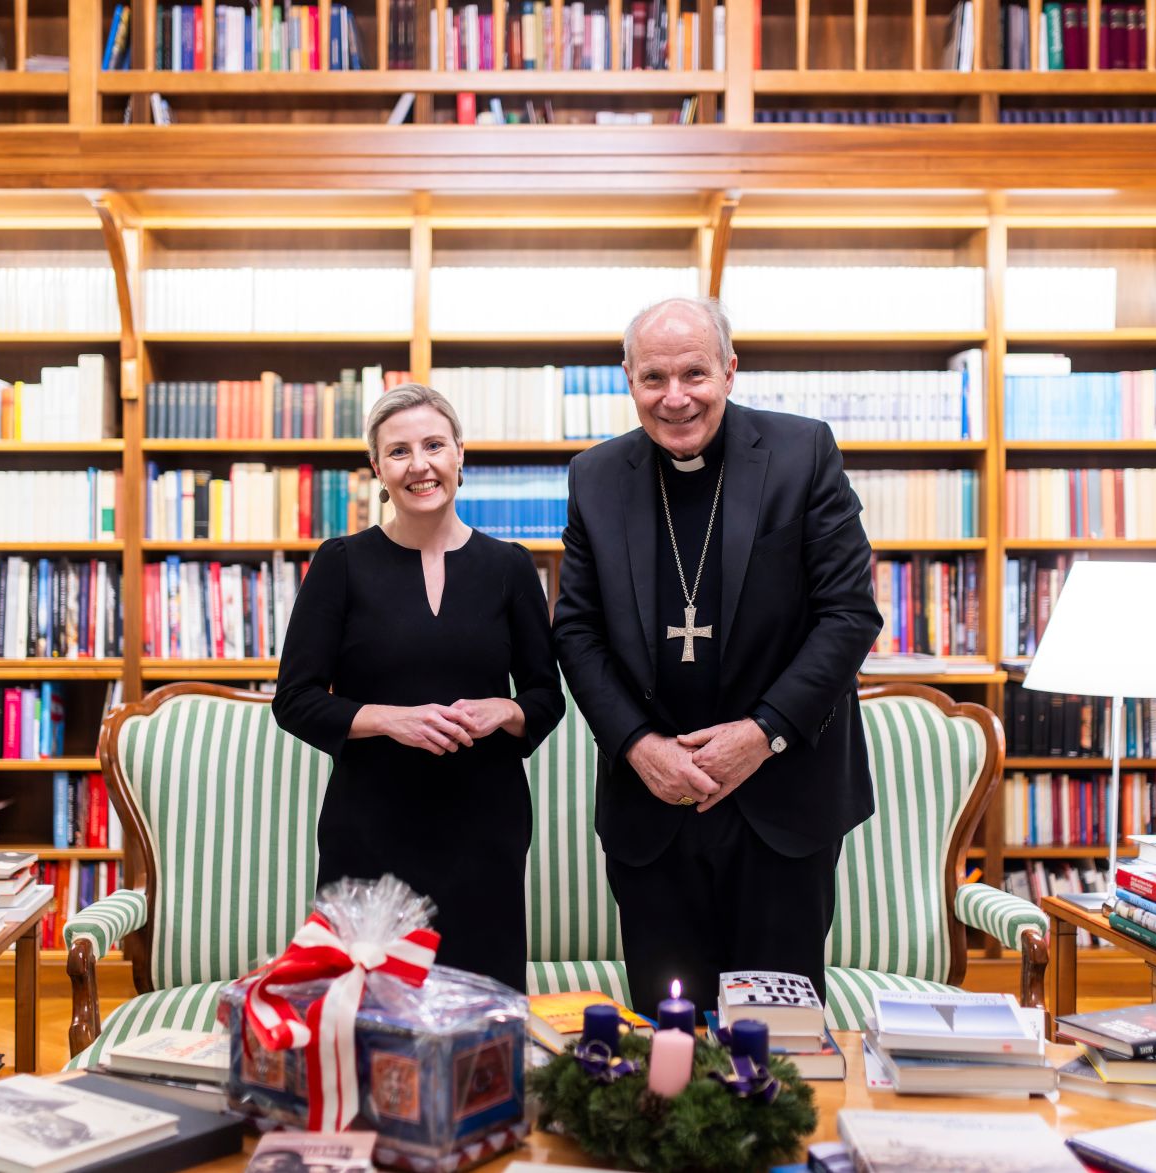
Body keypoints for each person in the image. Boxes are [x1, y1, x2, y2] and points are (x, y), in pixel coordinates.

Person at [553, 297, 882, 1016]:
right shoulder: (595, 477)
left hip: (782, 801)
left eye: (694, 373)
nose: (676, 398)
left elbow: (849, 614)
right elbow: (575, 631)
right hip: (654, 806)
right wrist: (640, 747)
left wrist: (761, 733)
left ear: (730, 370)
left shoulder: (802, 453)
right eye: (654, 378)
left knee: (778, 1041)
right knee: (667, 1037)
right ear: (628, 379)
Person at [273, 383, 564, 993]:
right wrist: (386, 719)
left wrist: (504, 710)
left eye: (434, 445)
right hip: (371, 825)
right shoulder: (340, 564)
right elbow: (295, 699)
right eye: (399, 451)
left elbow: (545, 696)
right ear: (378, 469)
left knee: (482, 1014)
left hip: (485, 826)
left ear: (460, 454)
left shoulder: (511, 566)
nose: (420, 464)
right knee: (370, 1011)